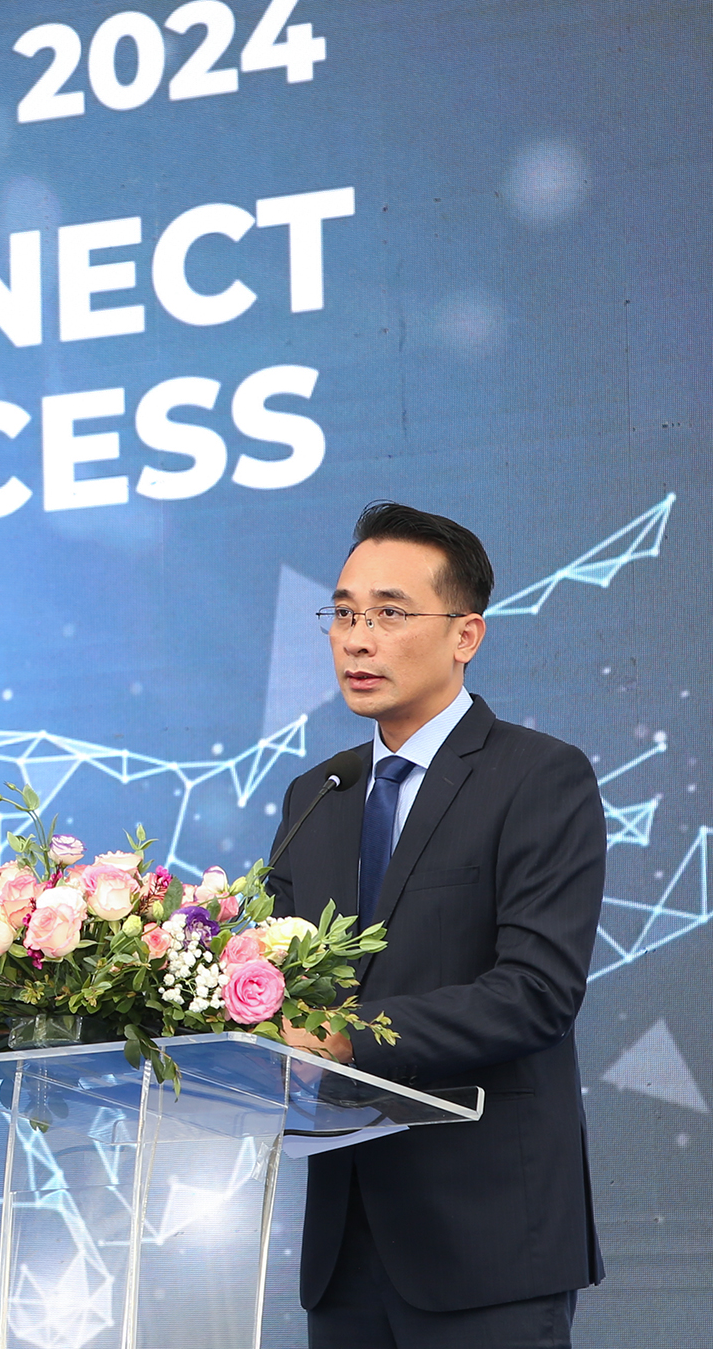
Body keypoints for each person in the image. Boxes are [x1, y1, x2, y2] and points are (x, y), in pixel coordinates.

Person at [264, 502, 606, 1349]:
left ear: (466, 635)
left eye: (389, 613)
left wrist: (348, 1034)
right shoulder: (317, 796)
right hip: (345, 1248)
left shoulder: (538, 776)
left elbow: (535, 993)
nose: (357, 640)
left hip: (488, 1241)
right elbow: (276, 986)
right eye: (344, 614)